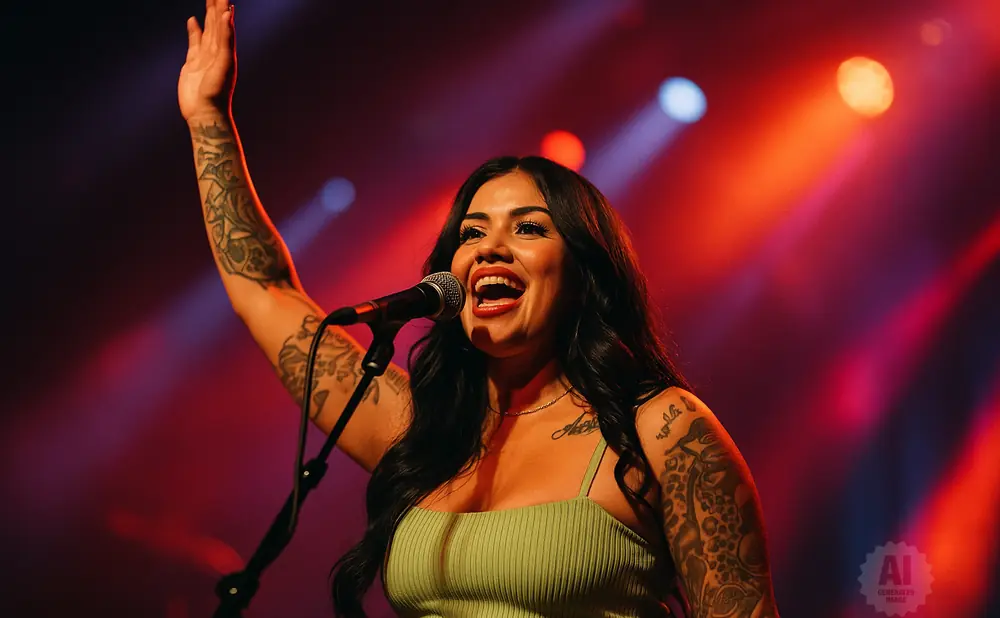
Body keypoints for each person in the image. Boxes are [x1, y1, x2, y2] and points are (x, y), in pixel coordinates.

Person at [179, 1, 782, 616]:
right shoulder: (420, 427)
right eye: (471, 232)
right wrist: (208, 121)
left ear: (584, 275)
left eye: (529, 228)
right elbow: (264, 289)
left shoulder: (662, 430)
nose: (489, 247)